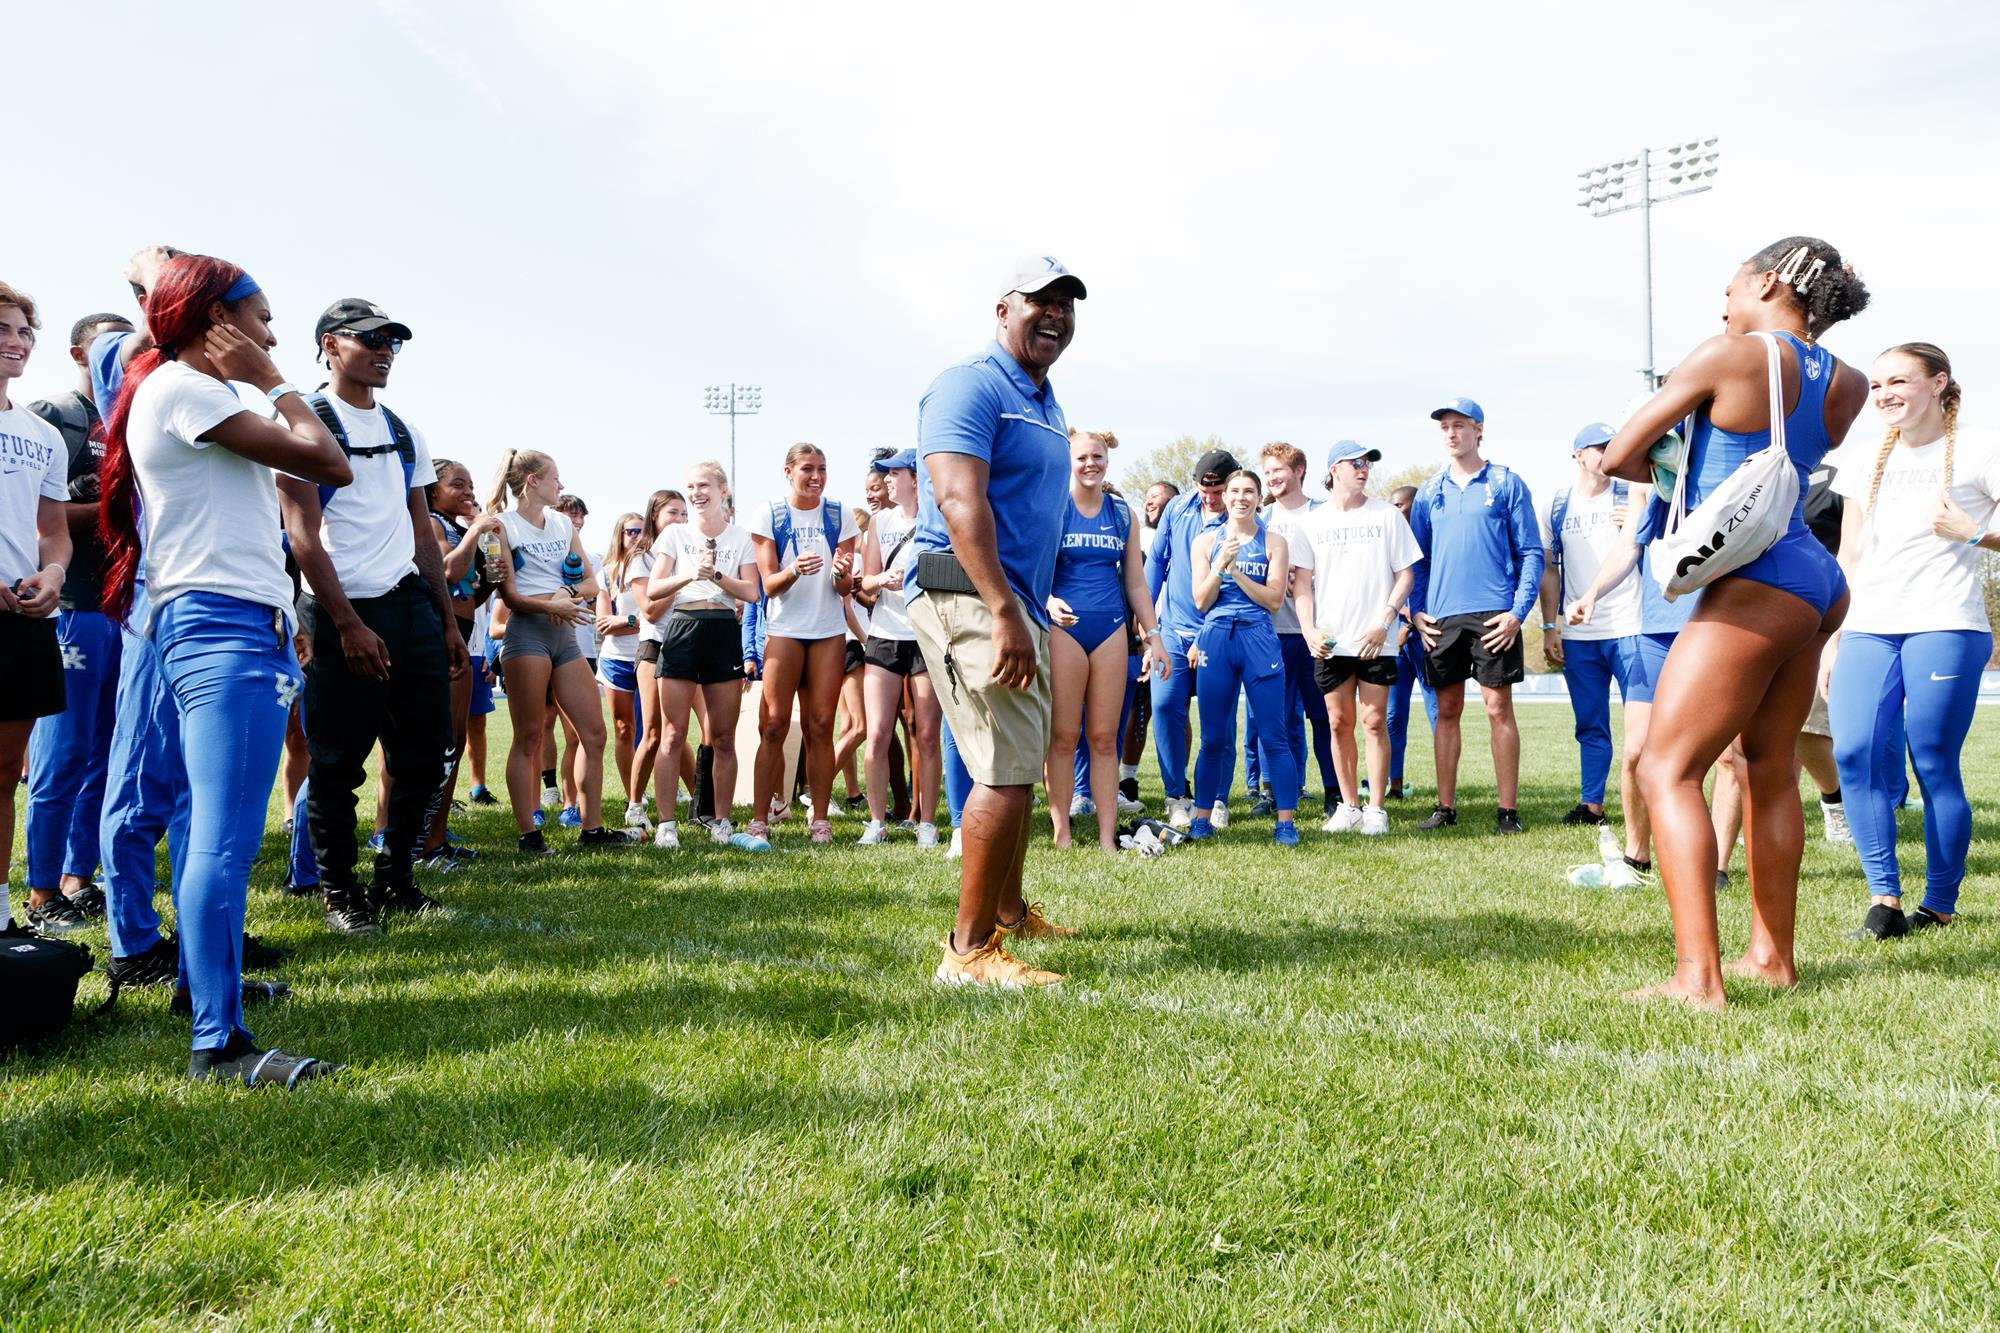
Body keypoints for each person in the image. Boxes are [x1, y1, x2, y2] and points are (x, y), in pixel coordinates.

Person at [97, 253, 351, 1084]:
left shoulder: (182, 393)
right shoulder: (190, 388)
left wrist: (284, 609)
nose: (273, 334)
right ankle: (221, 1043)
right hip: (220, 628)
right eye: (263, 317)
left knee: (207, 826)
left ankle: (201, 989)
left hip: (218, 618)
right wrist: (278, 380)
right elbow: (327, 460)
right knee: (225, 837)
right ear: (217, 324)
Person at [1603, 235, 1871, 1009]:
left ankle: (1698, 978)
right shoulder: (1847, 380)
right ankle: (1771, 959)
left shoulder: (1732, 354)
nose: (1723, 302)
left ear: (1767, 280)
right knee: (1767, 766)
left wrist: (1671, 455)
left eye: (1730, 285)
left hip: (1757, 578)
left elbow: (1620, 454)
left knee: (1664, 767)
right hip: (1816, 579)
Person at [908, 255, 1087, 986]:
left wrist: (1026, 604)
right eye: (1039, 301)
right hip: (973, 599)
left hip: (1012, 603)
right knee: (1004, 770)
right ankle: (968, 950)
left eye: (1066, 305)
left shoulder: (1045, 400)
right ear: (1002, 309)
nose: (1054, 314)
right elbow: (958, 501)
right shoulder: (968, 385)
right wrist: (1004, 608)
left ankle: (1009, 912)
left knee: (1019, 755)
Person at [279, 298, 462, 934]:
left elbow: (420, 531)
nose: (385, 351)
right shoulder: (307, 421)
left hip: (410, 605)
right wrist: (346, 622)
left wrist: (442, 620)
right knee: (336, 760)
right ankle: (337, 891)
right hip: (340, 609)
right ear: (330, 344)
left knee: (426, 752)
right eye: (370, 339)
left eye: (393, 342)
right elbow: (301, 534)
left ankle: (397, 880)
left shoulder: (405, 429)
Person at [1826, 342, 1995, 939]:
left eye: (1898, 381)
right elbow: (1849, 552)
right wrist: (1833, 635)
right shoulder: (1866, 456)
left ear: (1938, 383)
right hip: (1869, 625)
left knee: (1932, 762)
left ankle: (1941, 904)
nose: (1884, 395)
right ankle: (1884, 901)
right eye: (1876, 386)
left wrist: (1974, 533)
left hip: (1946, 623)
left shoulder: (1978, 446)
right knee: (1852, 753)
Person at [20, 309, 132, 928]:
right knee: (62, 756)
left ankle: (76, 876)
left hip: (122, 610)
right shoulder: (54, 416)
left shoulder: (136, 414)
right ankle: (40, 896)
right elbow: (44, 523)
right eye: (106, 348)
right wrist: (119, 509)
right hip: (72, 607)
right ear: (77, 355)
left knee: (107, 754)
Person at [1407, 397, 1543, 835]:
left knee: (1497, 706)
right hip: (1442, 618)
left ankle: (1508, 812)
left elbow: (1531, 553)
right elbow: (1417, 560)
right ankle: (1444, 808)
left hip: (1493, 615)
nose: (1451, 433)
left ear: (1479, 429)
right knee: (1446, 709)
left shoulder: (1505, 483)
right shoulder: (1429, 491)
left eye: (1460, 425)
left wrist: (1518, 614)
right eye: (1445, 426)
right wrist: (1417, 611)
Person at [486, 449, 625, 851]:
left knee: (594, 734)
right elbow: (509, 596)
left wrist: (565, 594)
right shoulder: (502, 526)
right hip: (527, 635)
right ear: (532, 481)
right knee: (528, 736)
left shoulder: (563, 523)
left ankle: (592, 829)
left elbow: (591, 585)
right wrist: (553, 604)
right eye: (555, 478)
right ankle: (528, 834)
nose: (560, 486)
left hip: (565, 637)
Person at [1043, 431, 1168, 851]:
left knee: (1102, 737)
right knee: (1062, 737)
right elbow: (1029, 570)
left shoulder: (1122, 513)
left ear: (1107, 461)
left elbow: (1136, 582)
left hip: (1112, 629)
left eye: (1098, 456)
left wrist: (1153, 637)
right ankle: (1062, 834)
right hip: (1064, 630)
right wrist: (1046, 600)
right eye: (1082, 457)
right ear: (1069, 460)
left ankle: (1106, 838)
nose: (1090, 464)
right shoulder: (1052, 507)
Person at [1294, 441, 1420, 836]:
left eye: (1368, 463)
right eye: (1356, 463)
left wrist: (1385, 620)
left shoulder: (1387, 516)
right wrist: (1309, 631)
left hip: (1375, 638)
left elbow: (1406, 575)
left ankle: (1376, 809)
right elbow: (1300, 585)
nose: (1364, 469)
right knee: (1337, 722)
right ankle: (1348, 806)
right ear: (1334, 469)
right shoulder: (1313, 522)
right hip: (1332, 641)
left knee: (1374, 721)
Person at [0, 281, 75, 930]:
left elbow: (54, 529)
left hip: (24, 623)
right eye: (3, 328)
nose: (17, 341)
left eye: (25, 331)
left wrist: (52, 572)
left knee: (4, 774)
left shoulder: (41, 434)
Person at [645, 461, 760, 849]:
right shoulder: (675, 534)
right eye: (691, 486)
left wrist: (716, 577)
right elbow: (655, 590)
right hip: (683, 629)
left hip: (724, 630)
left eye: (704, 485)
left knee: (723, 737)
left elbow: (752, 593)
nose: (696, 493)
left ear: (722, 490)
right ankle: (666, 826)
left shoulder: (740, 536)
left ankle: (723, 822)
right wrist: (692, 574)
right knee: (672, 733)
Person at [747, 444, 857, 845]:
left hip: (827, 630)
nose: (816, 477)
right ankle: (761, 817)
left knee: (821, 726)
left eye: (823, 469)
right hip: (786, 630)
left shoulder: (839, 514)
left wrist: (842, 573)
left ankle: (820, 818)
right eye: (808, 469)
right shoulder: (770, 514)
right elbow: (769, 587)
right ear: (788, 472)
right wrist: (793, 569)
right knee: (773, 725)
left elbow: (843, 588)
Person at [1538, 422, 1643, 828]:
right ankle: (1591, 805)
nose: (1608, 455)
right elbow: (1549, 570)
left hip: (1631, 626)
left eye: (1613, 447)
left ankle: (1650, 799)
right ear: (1578, 455)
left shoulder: (1632, 496)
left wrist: (1641, 524)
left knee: (1643, 729)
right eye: (1599, 448)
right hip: (1581, 635)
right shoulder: (1555, 505)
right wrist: (1551, 627)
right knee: (1590, 723)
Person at [1186, 470, 1299, 844]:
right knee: (1213, 737)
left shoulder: (1275, 542)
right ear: (1224, 496)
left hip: (1258, 637)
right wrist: (1220, 566)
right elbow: (1201, 601)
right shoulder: (1205, 541)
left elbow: (1273, 599)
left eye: (1248, 491)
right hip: (1217, 638)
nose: (1240, 497)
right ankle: (1201, 818)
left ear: (1258, 496)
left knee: (1274, 735)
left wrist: (1237, 571)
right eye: (1234, 491)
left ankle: (1285, 822)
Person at [856, 448, 944, 847]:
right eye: (884, 475)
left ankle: (927, 822)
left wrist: (917, 575)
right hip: (885, 634)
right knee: (876, 733)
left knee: (926, 734)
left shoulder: (938, 518)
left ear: (914, 478)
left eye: (894, 474)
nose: (887, 481)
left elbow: (953, 570)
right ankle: (877, 822)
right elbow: (866, 583)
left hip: (927, 634)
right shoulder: (879, 521)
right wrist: (883, 580)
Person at [423, 457, 504, 863]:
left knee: (455, 740)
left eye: (471, 483)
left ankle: (437, 837)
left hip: (464, 629)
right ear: (432, 489)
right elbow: (448, 571)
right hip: (440, 631)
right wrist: (475, 529)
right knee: (440, 740)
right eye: (458, 484)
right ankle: (424, 841)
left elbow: (474, 592)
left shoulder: (457, 527)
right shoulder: (432, 524)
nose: (469, 491)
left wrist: (492, 575)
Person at [1148, 449, 1234, 826]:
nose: (1211, 499)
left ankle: (1216, 799)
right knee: (1166, 708)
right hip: (1172, 633)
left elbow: (1234, 589)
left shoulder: (1242, 519)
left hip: (1218, 635)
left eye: (1218, 493)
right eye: (1205, 491)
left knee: (1220, 720)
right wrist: (1147, 622)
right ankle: (1176, 796)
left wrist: (1209, 634)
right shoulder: (1178, 509)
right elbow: (1157, 563)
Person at [1259, 442, 1338, 815]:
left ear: (1299, 470)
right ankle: (1273, 794)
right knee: (1273, 719)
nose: (1272, 478)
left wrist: (1304, 576)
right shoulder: (1261, 519)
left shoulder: (1325, 514)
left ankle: (1334, 793)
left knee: (1325, 717)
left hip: (1318, 633)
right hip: (1272, 634)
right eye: (1268, 472)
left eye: (1279, 471)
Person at [1118, 479, 1178, 805]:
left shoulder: (1185, 530)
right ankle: (1126, 779)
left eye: (1157, 496)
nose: (1150, 502)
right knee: (1132, 712)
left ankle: (1176, 777)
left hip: (1174, 636)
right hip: (1141, 636)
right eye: (1147, 497)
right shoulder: (1138, 535)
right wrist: (1142, 636)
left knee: (1172, 710)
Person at [595, 510, 648, 830]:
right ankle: (633, 799)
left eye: (643, 531)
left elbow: (659, 617)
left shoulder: (656, 566)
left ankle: (695, 799)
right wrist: (634, 621)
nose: (637, 537)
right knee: (624, 730)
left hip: (651, 656)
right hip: (616, 660)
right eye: (631, 531)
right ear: (619, 534)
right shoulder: (607, 572)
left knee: (660, 731)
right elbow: (604, 626)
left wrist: (626, 621)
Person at [1382, 483, 1434, 800]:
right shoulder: (1389, 543)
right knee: (1392, 716)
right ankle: (1394, 785)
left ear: (1415, 507)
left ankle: (1447, 789)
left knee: (1438, 713)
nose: (1395, 510)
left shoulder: (1431, 543)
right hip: (1397, 646)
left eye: (1399, 505)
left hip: (1426, 642)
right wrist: (1400, 620)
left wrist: (1414, 623)